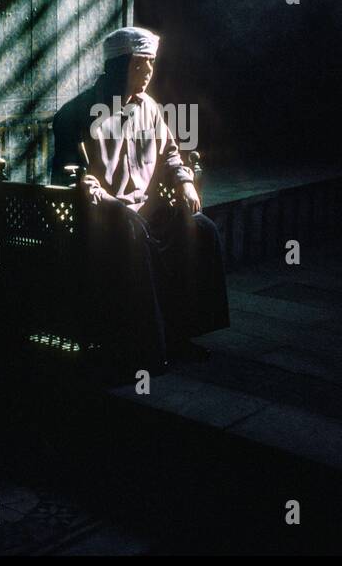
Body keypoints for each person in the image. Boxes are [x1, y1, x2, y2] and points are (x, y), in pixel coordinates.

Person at [51, 26, 229, 370]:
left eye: (150, 64)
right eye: (138, 65)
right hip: (101, 218)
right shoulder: (77, 113)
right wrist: (103, 198)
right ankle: (147, 348)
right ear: (117, 66)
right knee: (133, 232)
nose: (147, 73)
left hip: (146, 210)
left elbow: (171, 155)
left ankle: (182, 335)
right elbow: (72, 175)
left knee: (200, 229)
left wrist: (184, 181)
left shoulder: (149, 108)